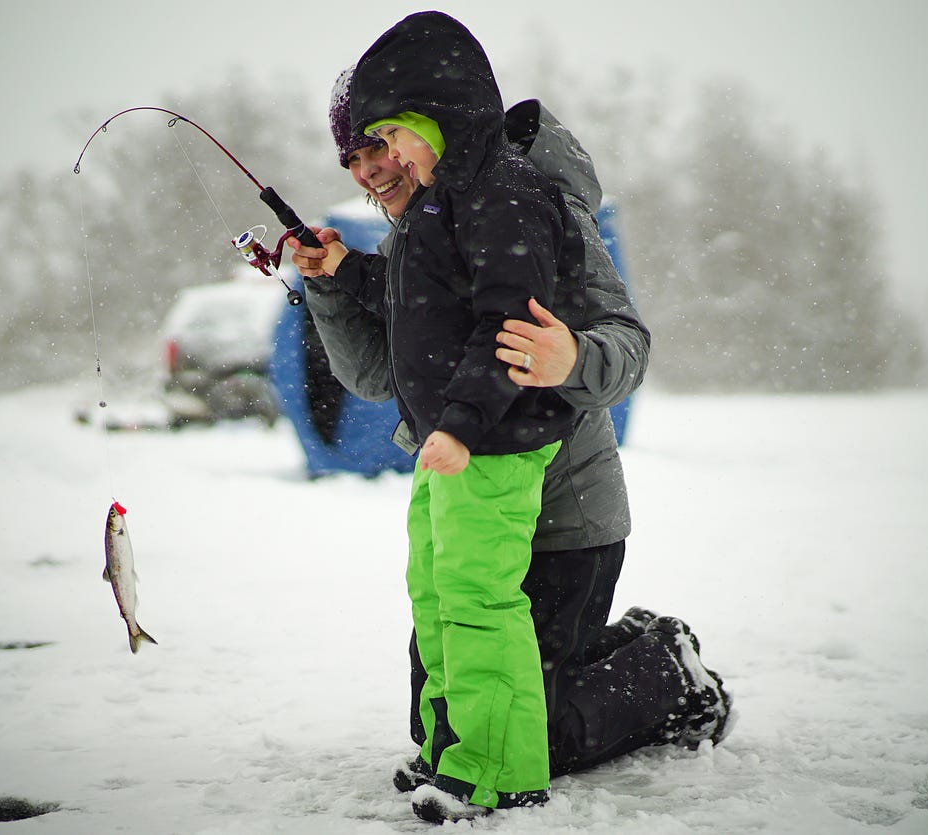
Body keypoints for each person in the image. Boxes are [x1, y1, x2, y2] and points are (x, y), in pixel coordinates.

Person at [291, 12, 731, 822]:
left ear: (427, 125)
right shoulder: (423, 229)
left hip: (564, 517)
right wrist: (329, 280)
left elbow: (628, 347)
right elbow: (375, 375)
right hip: (473, 495)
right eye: (353, 155)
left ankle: (669, 669)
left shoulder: (528, 206)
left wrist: (573, 360)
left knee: (536, 732)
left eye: (381, 143)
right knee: (460, 706)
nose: (371, 169)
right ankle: (586, 660)